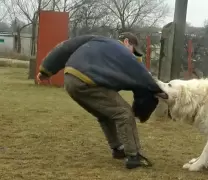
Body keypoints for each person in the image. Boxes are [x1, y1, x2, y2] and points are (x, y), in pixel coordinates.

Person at [36, 32, 167, 169]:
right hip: (89, 80)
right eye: (134, 50)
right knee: (124, 113)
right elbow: (143, 79)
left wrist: (46, 70)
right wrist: (158, 90)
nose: (133, 55)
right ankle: (133, 156)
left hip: (70, 79)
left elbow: (65, 48)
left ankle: (118, 148)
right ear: (127, 42)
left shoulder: (97, 40)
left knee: (105, 113)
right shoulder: (122, 50)